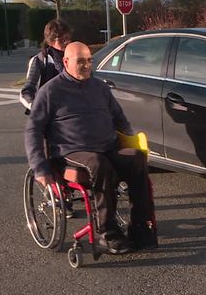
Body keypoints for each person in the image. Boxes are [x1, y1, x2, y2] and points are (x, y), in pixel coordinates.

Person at [24, 42, 158, 254]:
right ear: (66, 62)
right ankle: (108, 233)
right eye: (81, 61)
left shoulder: (100, 87)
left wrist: (130, 139)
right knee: (98, 164)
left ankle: (140, 227)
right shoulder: (50, 91)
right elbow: (33, 130)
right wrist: (40, 168)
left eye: (89, 60)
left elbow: (119, 118)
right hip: (71, 151)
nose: (87, 65)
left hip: (107, 147)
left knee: (137, 158)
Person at [19, 19, 72, 113]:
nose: (66, 42)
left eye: (68, 38)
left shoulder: (73, 58)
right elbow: (27, 91)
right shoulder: (40, 60)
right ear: (50, 41)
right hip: (48, 114)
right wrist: (36, 107)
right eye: (61, 39)